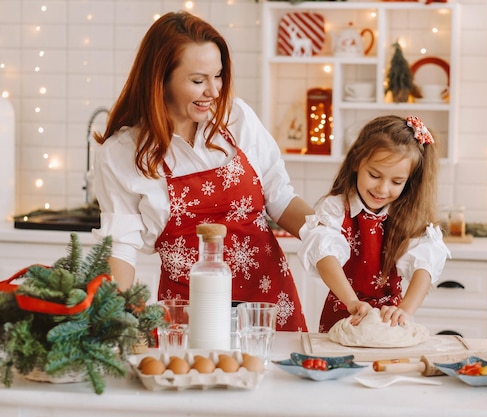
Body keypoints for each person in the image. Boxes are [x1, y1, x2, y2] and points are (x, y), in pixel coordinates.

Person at [92, 11, 312, 331]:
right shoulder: (122, 154)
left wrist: (329, 233)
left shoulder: (235, 118)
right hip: (189, 316)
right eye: (198, 80)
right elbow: (120, 248)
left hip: (268, 305)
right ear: (161, 79)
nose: (214, 91)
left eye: (218, 75)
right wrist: (120, 318)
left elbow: (280, 197)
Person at [298, 115, 451, 332]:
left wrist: (405, 310)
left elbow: (424, 268)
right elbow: (324, 256)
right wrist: (352, 302)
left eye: (396, 182)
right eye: (374, 175)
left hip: (389, 322)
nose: (382, 189)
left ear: (409, 182)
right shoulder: (336, 209)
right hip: (345, 317)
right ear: (356, 162)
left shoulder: (410, 216)